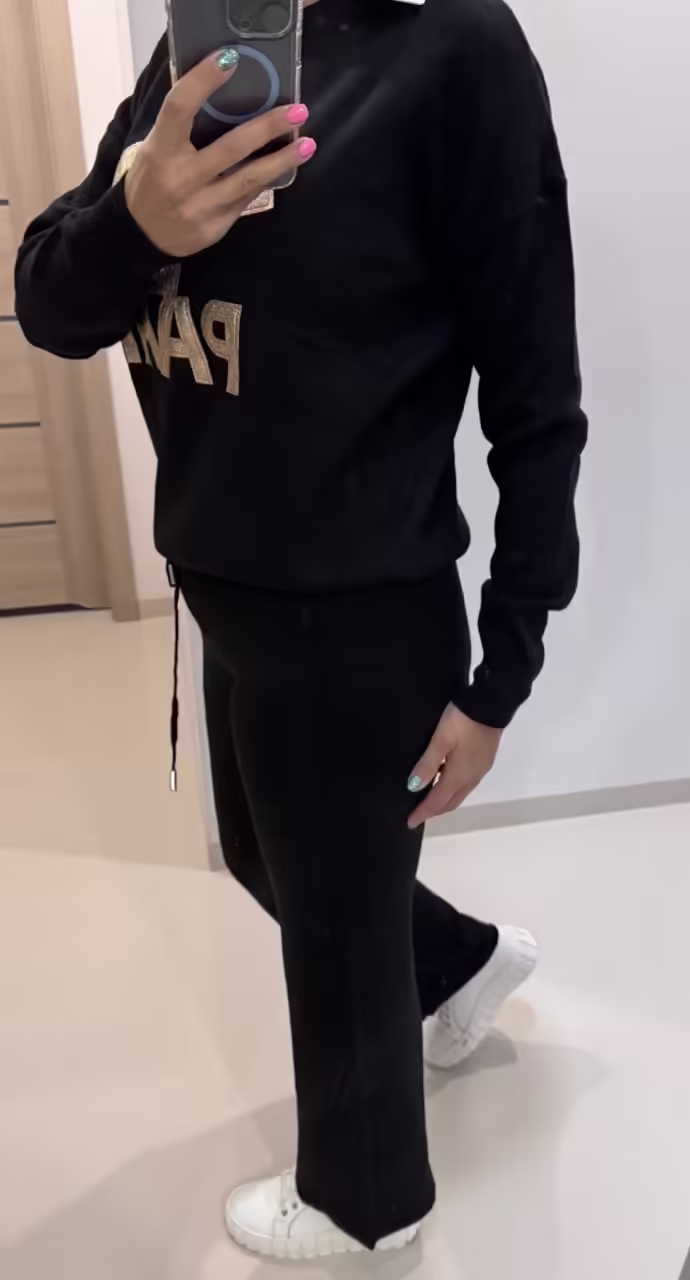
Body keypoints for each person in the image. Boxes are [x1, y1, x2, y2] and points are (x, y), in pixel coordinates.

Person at [15, 0, 587, 1261]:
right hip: (228, 580)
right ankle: (460, 965)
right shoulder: (209, 46)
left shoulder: (458, 49)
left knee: (333, 922)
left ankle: (366, 1200)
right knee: (269, 858)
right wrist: (137, 226)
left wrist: (503, 669)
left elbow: (539, 396)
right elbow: (51, 301)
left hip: (360, 604)